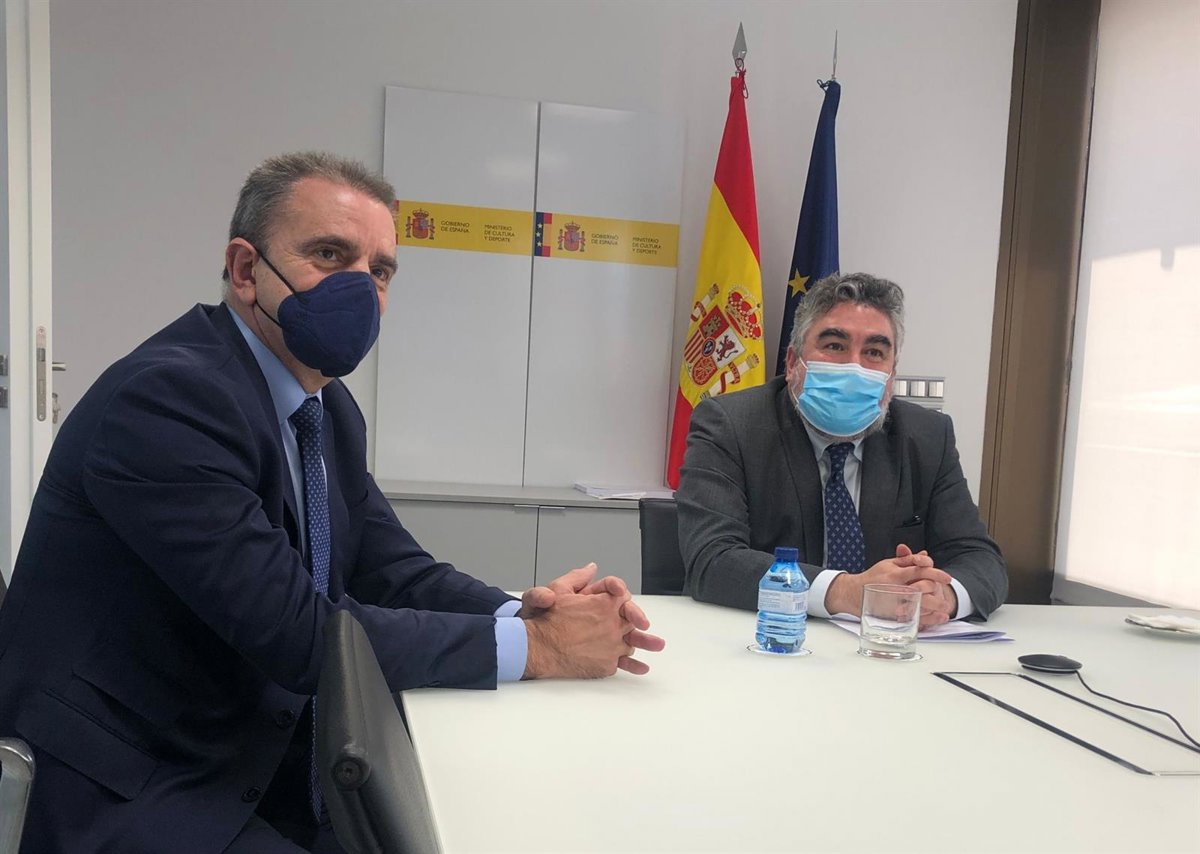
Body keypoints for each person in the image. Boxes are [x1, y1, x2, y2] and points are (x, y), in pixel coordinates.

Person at [0, 152, 663, 854]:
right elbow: (300, 635)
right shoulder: (168, 400)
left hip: (251, 748)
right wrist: (540, 649)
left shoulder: (327, 408)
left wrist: (522, 612)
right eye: (329, 255)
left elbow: (392, 568)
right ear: (246, 270)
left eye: (379, 271)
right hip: (131, 780)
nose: (361, 288)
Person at [677, 272, 1007, 626]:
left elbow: (980, 558)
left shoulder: (927, 436)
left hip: (883, 647)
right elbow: (713, 559)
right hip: (766, 639)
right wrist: (845, 592)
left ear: (891, 375)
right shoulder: (731, 425)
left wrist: (943, 596)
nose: (854, 367)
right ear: (793, 363)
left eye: (874, 352)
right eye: (835, 346)